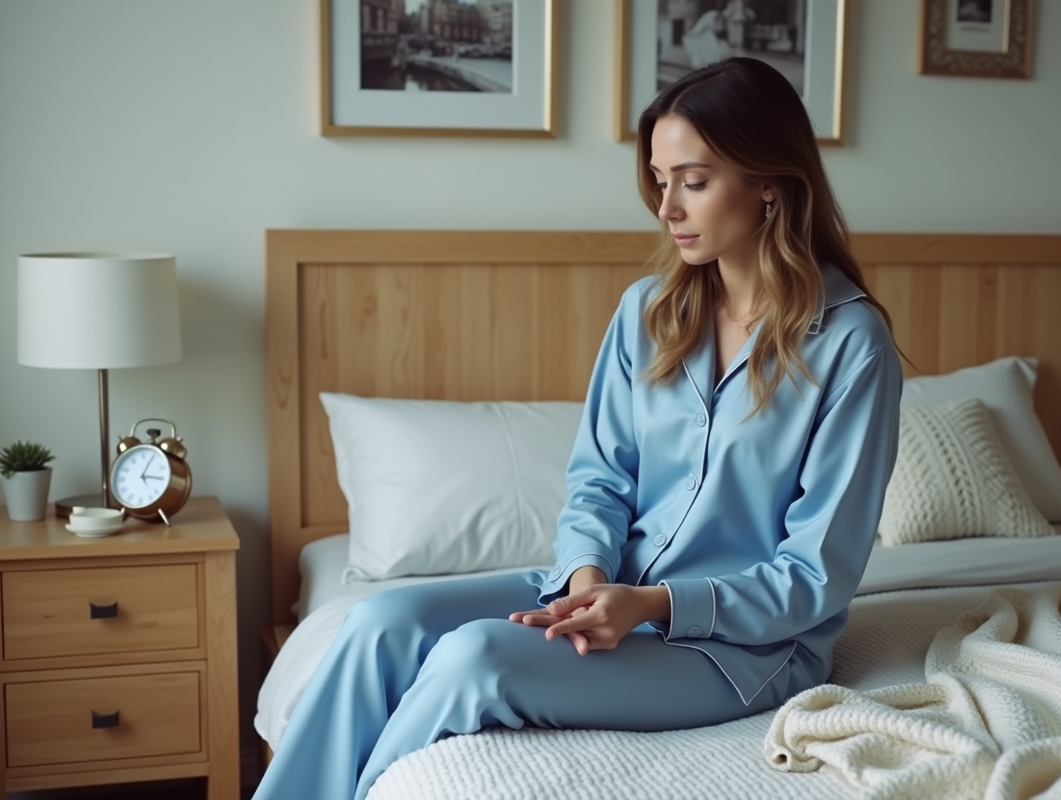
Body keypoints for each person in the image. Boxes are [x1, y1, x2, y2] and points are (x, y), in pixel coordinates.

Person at [252, 57, 902, 800]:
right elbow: (600, 480)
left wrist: (654, 606)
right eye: (660, 182)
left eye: (692, 181)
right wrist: (589, 578)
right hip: (608, 588)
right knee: (379, 623)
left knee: (476, 660)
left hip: (741, 650)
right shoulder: (648, 312)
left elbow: (815, 576)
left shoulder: (851, 345)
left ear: (768, 180)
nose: (667, 209)